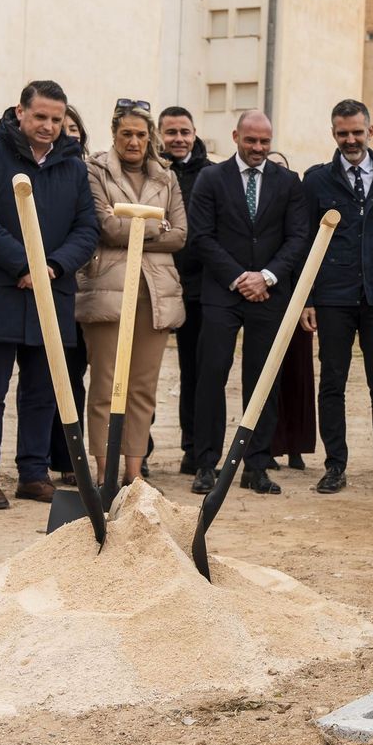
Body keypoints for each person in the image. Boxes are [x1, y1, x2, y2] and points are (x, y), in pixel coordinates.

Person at [0, 80, 98, 510]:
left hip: (51, 291)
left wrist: (50, 267)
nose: (49, 126)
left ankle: (33, 473)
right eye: (41, 117)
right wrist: (23, 264)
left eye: (56, 119)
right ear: (20, 112)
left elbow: (86, 229)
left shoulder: (73, 166)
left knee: (43, 389)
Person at [187, 111, 309, 495]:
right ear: (236, 136)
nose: (258, 148)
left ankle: (256, 464)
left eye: (264, 142)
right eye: (251, 140)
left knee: (262, 381)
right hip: (223, 293)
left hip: (269, 294)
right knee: (211, 375)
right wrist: (240, 278)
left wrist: (267, 276)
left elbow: (298, 237)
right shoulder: (210, 178)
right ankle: (206, 463)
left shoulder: (288, 182)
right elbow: (202, 236)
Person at [300, 99, 373, 495]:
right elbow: (306, 243)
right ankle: (335, 466)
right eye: (342, 133)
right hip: (333, 296)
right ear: (334, 133)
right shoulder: (315, 181)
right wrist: (308, 298)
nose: (350, 139)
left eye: (356, 132)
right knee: (332, 381)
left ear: (370, 131)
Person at [77, 100, 186, 487]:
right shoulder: (95, 169)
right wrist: (155, 225)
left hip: (155, 294)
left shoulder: (167, 177)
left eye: (141, 134)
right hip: (109, 289)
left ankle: (133, 475)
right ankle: (105, 474)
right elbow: (105, 226)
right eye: (127, 134)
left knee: (142, 387)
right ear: (115, 134)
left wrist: (135, 225)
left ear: (150, 137)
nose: (134, 141)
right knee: (107, 385)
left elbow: (181, 235)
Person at [157, 105, 211, 475]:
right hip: (154, 282)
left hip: (197, 288)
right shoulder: (149, 172)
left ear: (194, 134)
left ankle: (194, 449)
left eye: (184, 132)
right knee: (140, 372)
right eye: (171, 132)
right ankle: (136, 452)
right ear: (160, 135)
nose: (178, 139)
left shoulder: (211, 174)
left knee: (196, 372)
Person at [47, 105, 93, 486]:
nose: (69, 132)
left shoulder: (86, 170)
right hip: (55, 285)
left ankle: (68, 457)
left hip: (86, 288)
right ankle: (49, 453)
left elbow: (90, 226)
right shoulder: (48, 171)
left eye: (75, 127)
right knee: (53, 377)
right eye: (66, 127)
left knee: (74, 380)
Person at [265, 150, 315, 470]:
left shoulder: (300, 211)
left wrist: (307, 301)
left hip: (297, 300)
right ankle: (268, 445)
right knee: (268, 376)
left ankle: (296, 447)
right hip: (266, 300)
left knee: (299, 375)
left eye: (281, 168)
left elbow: (308, 253)